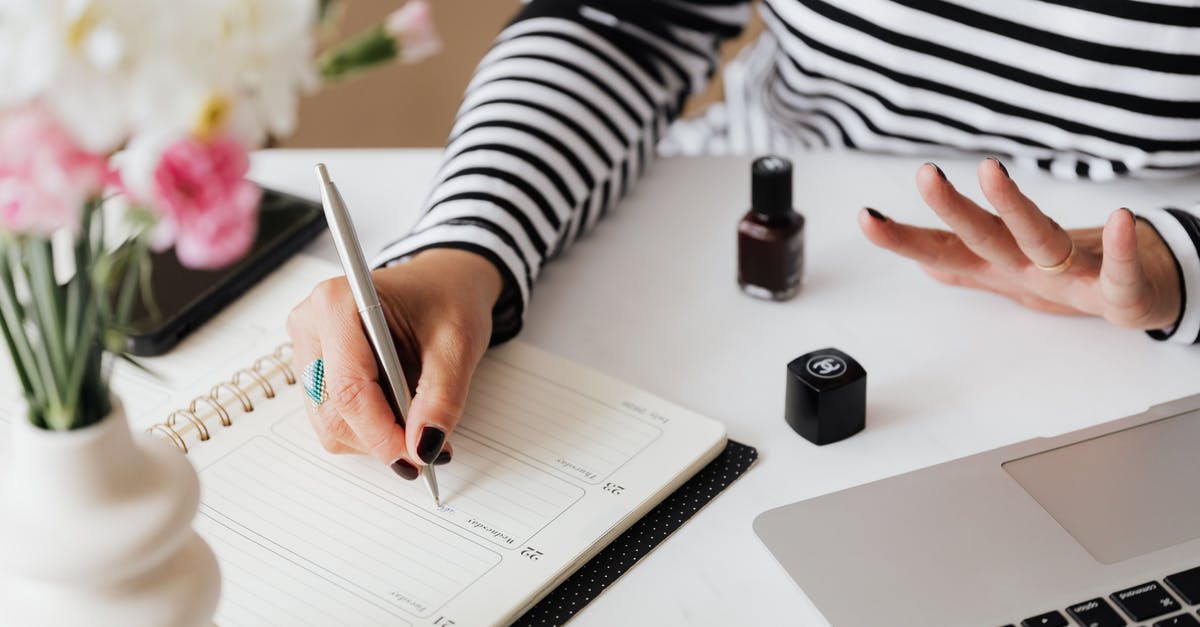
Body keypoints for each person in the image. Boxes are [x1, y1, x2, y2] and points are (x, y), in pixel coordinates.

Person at [286, 1, 1200, 477]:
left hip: (1144, 313)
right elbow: (625, 23)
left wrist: (1185, 259)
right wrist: (466, 244)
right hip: (729, 194)